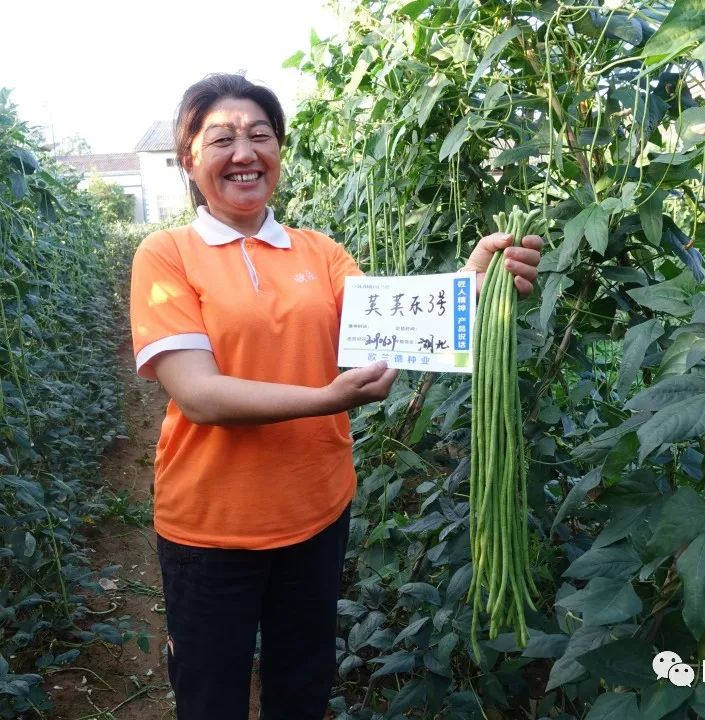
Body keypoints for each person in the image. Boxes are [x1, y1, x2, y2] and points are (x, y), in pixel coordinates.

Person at [128, 73, 543, 720]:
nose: (245, 152)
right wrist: (325, 399)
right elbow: (199, 394)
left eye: (260, 135)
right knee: (210, 695)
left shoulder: (319, 253)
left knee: (303, 685)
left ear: (279, 153)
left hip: (315, 514)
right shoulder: (167, 254)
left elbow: (399, 327)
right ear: (189, 159)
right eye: (222, 138)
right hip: (210, 527)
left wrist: (474, 282)